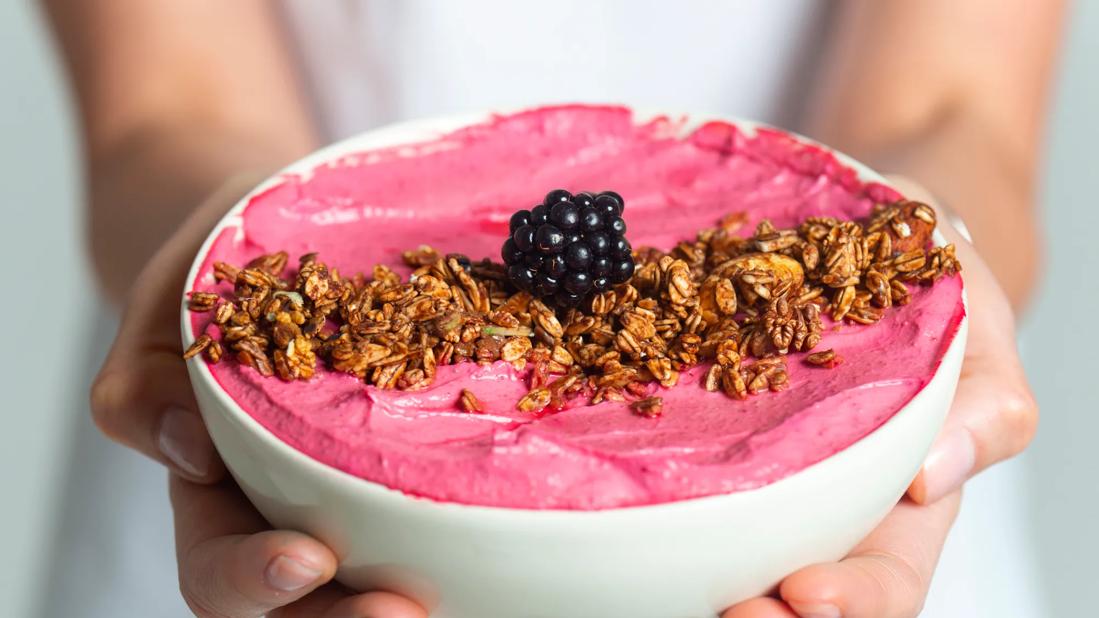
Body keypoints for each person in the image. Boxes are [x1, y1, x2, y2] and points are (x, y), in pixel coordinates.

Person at [43, 1, 1061, 616]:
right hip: (272, 504)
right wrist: (210, 228)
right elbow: (166, 113)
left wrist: (941, 235)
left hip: (834, 519)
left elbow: (948, 114)